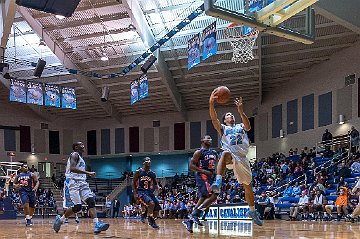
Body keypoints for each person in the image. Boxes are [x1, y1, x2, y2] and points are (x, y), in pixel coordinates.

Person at [208, 90, 263, 226]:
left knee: (247, 187)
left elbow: (249, 127)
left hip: (242, 158)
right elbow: (214, 118)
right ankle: (218, 181)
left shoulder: (240, 126)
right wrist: (211, 104)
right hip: (230, 156)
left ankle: (252, 211)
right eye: (228, 115)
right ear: (225, 120)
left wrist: (240, 111)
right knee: (225, 153)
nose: (231, 116)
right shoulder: (222, 129)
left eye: (232, 114)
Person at [53, 142, 109, 234]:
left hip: (82, 182)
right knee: (77, 207)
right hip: (73, 182)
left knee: (91, 202)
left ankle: (97, 224)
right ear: (76, 147)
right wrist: (88, 173)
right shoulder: (74, 155)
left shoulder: (81, 158)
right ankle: (61, 219)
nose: (83, 146)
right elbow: (72, 168)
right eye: (81, 145)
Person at [182, 135, 218, 233]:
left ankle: (189, 220)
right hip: (203, 176)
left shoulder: (214, 152)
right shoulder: (199, 152)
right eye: (208, 138)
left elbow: (217, 165)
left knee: (203, 198)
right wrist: (204, 171)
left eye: (211, 138)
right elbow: (191, 166)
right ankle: (195, 214)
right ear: (202, 140)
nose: (210, 139)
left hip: (211, 177)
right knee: (213, 195)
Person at [132, 157, 161, 229]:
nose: (149, 161)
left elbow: (155, 183)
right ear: (143, 162)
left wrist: (158, 187)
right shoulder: (138, 171)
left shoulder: (152, 173)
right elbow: (133, 182)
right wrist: (135, 193)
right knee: (151, 203)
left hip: (149, 192)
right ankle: (149, 219)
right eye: (147, 160)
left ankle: (151, 220)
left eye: (150, 160)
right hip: (141, 191)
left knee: (157, 206)